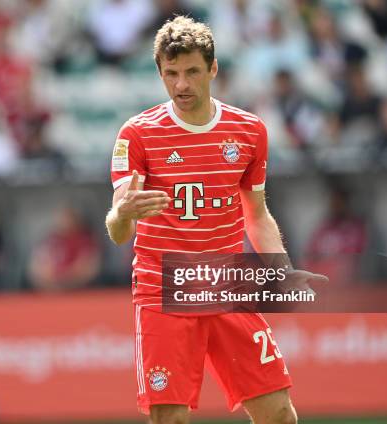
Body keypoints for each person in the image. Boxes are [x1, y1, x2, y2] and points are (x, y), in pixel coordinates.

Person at [105, 17, 326, 424]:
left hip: (228, 282)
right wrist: (123, 213)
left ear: (213, 69)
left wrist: (283, 270)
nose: (181, 84)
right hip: (163, 290)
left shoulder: (249, 130)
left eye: (191, 71)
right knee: (169, 419)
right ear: (160, 73)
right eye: (170, 74)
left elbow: (256, 214)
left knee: (279, 413)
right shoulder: (136, 134)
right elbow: (120, 231)